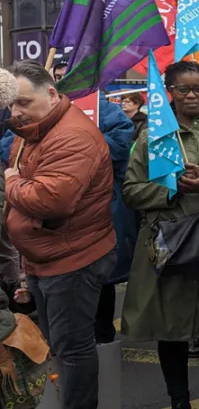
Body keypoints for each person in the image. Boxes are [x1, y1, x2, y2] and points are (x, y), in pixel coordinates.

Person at [121, 61, 199, 409]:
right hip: (167, 244)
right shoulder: (152, 136)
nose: (192, 96)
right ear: (169, 93)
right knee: (169, 326)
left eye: (198, 89)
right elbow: (131, 192)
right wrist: (170, 189)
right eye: (183, 89)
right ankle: (178, 399)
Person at [3, 60, 117, 409]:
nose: (16, 111)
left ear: (51, 94)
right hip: (48, 257)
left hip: (72, 259)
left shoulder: (71, 135)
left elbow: (50, 200)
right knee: (61, 345)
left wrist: (10, 182)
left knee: (73, 349)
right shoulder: (34, 132)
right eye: (11, 104)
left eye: (24, 102)